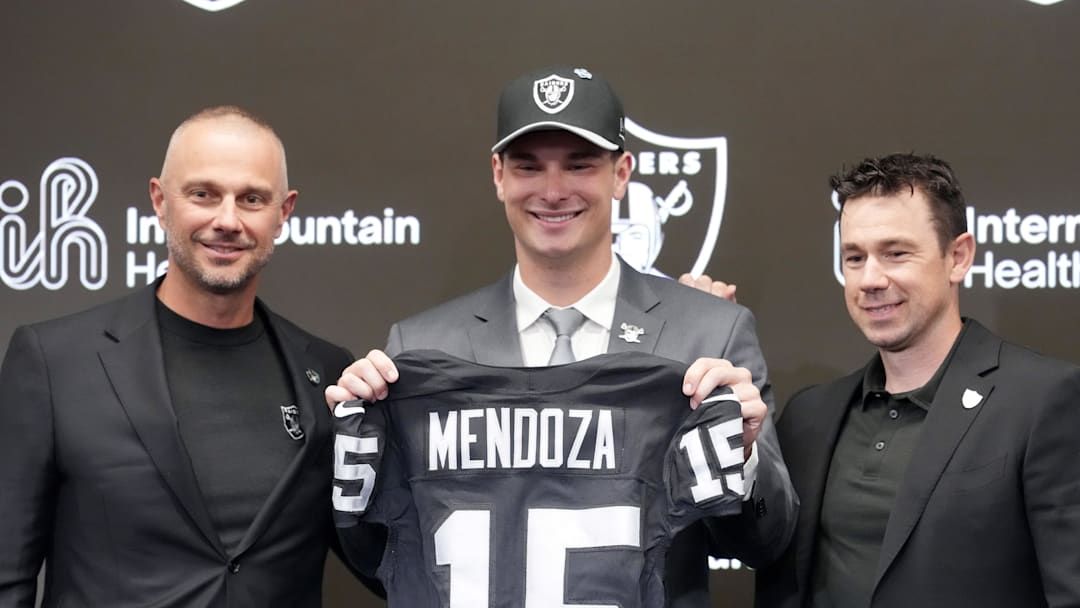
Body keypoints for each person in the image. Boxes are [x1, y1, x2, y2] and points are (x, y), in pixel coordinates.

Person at [327, 65, 797, 607]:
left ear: (621, 174)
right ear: (499, 175)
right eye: (529, 166)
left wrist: (742, 457)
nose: (553, 191)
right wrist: (359, 458)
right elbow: (381, 557)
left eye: (579, 165)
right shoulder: (420, 347)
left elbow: (766, 542)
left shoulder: (710, 333)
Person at [0, 106, 377, 606]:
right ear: (160, 201)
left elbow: (381, 561)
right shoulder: (54, 362)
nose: (227, 220)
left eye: (252, 199)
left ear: (283, 212)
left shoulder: (327, 374)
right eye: (203, 194)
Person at [755, 153, 1080, 607]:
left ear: (958, 257)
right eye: (854, 257)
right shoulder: (809, 416)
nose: (870, 279)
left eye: (896, 253)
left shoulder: (1043, 401)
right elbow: (759, 549)